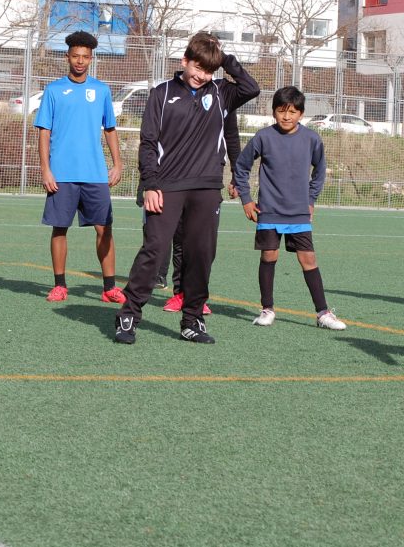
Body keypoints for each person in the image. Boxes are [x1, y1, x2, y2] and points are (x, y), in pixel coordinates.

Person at [114, 33, 260, 344]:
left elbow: (251, 88)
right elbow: (148, 143)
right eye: (198, 68)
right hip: (166, 187)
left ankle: (192, 320)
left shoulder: (221, 92)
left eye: (209, 70)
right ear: (184, 61)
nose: (202, 76)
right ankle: (128, 316)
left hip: (206, 188)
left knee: (201, 254)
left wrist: (224, 58)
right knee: (154, 250)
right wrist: (150, 184)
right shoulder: (162, 93)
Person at [233, 86, 345, 331]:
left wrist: (311, 199)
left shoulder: (312, 139)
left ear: (301, 114)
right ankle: (267, 309)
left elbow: (320, 170)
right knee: (269, 255)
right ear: (273, 112)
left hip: (298, 212)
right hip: (269, 210)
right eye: (281, 111)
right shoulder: (263, 137)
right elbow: (241, 167)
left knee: (308, 259)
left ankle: (323, 313)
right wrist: (246, 199)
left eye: (292, 112)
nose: (286, 116)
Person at [35, 31, 124, 303]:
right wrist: (46, 169)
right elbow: (44, 132)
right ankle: (60, 285)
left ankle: (109, 288)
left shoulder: (101, 90)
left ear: (91, 59)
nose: (80, 61)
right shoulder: (53, 91)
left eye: (85, 57)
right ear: (68, 57)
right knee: (60, 228)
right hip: (61, 174)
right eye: (76, 56)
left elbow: (110, 129)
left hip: (94, 173)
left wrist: (117, 164)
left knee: (104, 229)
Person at [159, 112, 242, 315]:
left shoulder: (223, 99)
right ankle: (180, 293)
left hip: (209, 179)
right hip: (176, 176)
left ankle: (197, 296)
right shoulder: (175, 98)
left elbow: (231, 135)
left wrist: (237, 175)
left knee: (203, 244)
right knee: (180, 239)